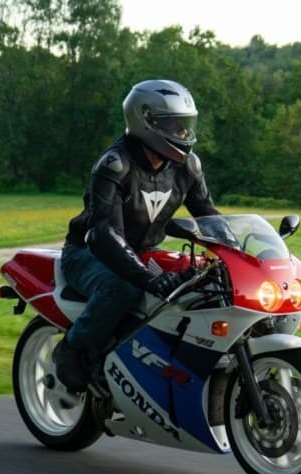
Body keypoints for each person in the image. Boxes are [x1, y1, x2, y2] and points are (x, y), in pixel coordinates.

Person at [53, 79, 219, 392]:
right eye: (175, 126)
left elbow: (209, 217)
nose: (183, 134)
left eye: (186, 126)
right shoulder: (115, 165)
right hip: (88, 253)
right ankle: (72, 350)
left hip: (139, 253)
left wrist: (241, 252)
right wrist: (147, 278)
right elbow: (104, 233)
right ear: (146, 122)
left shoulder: (187, 167)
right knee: (124, 288)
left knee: (200, 281)